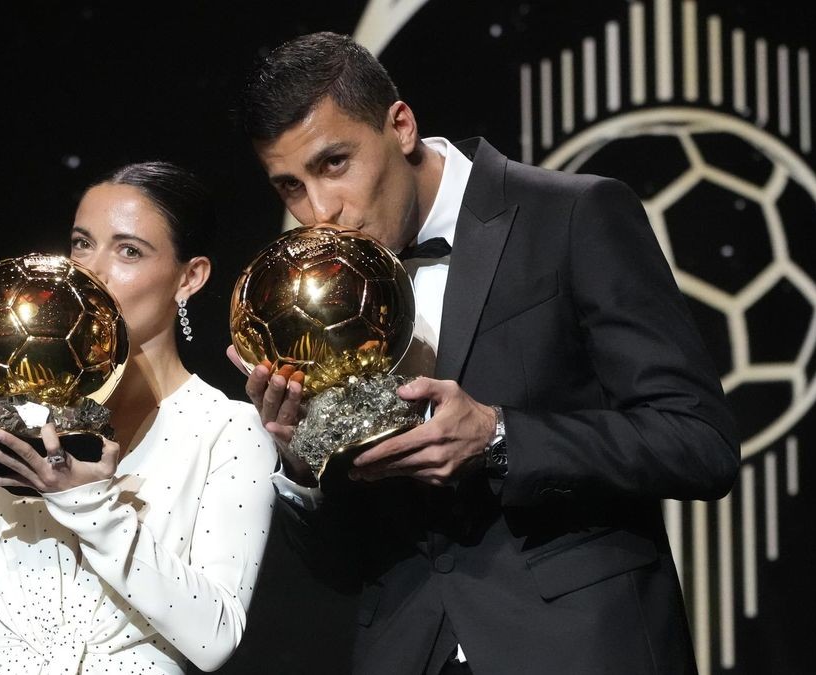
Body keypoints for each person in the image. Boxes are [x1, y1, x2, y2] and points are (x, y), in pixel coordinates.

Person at [229, 32, 740, 674]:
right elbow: (342, 567)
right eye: (289, 188)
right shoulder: (314, 305)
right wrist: (300, 461)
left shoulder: (574, 215)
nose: (320, 211)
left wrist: (498, 435)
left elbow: (698, 444)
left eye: (335, 163)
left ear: (401, 126)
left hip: (579, 648)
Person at [0, 161, 277, 674]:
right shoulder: (18, 406)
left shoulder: (227, 429)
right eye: (81, 243)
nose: (90, 270)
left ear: (189, 277)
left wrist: (87, 504)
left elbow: (214, 638)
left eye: (128, 251)